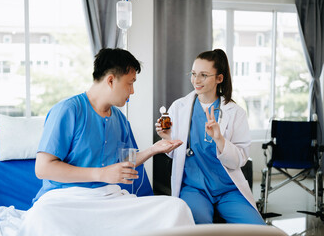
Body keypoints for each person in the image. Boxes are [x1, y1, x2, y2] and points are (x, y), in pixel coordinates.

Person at [17, 48, 194, 236]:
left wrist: (154, 149)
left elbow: (125, 161)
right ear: (111, 80)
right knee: (41, 217)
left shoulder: (119, 118)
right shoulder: (68, 110)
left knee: (176, 208)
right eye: (130, 83)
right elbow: (43, 169)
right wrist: (102, 174)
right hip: (66, 200)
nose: (132, 91)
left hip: (109, 198)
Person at [155, 49, 265, 225]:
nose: (196, 80)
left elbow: (240, 159)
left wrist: (220, 139)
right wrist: (167, 138)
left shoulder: (236, 113)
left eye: (203, 75)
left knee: (257, 229)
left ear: (219, 78)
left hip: (228, 189)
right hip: (194, 188)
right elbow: (175, 155)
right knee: (200, 228)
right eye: (193, 74)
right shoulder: (179, 107)